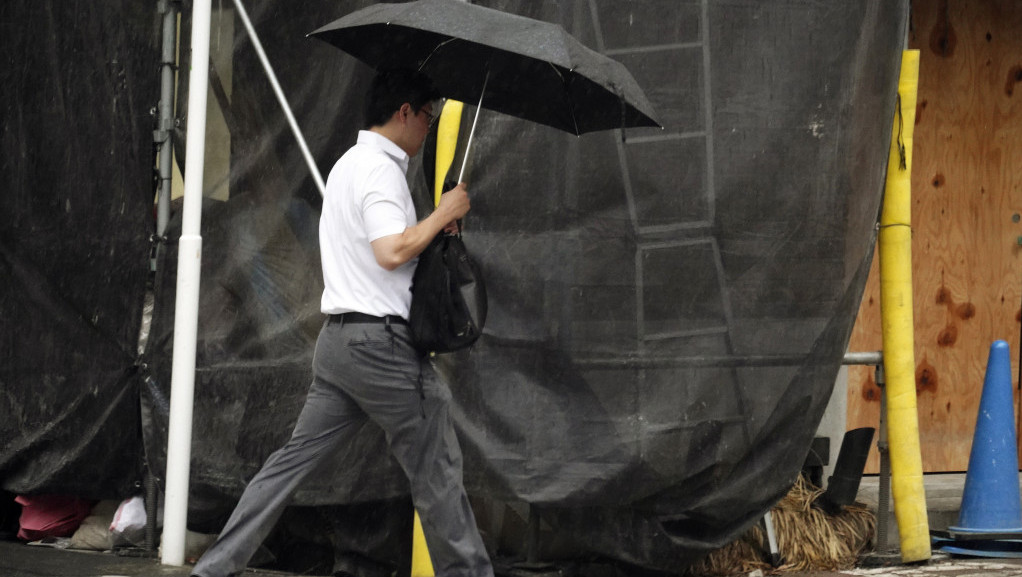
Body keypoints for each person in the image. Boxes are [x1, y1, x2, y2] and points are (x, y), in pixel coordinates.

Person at [191, 68, 494, 577]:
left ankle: (214, 569)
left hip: (339, 345)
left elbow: (386, 251)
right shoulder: (379, 170)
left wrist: (437, 225)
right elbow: (391, 251)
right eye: (428, 115)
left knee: (287, 467)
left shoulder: (348, 165)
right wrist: (442, 215)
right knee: (437, 469)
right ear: (404, 112)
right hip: (381, 347)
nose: (429, 126)